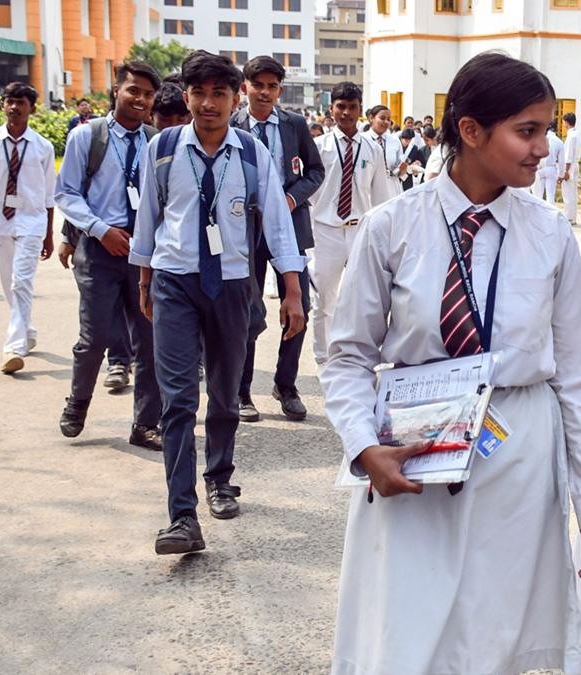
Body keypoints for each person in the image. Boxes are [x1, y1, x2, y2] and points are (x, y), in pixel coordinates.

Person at [320, 51, 581, 675]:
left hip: (517, 449)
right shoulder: (391, 227)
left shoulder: (550, 233)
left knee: (495, 629)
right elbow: (348, 355)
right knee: (407, 629)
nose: (544, 148)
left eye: (547, 130)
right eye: (527, 131)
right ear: (471, 130)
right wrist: (363, 447)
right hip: (412, 451)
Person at [130, 50, 306, 554]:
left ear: (235, 99)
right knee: (179, 399)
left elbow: (277, 223)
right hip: (174, 283)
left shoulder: (251, 153)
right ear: (186, 96)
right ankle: (182, 516)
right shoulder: (164, 148)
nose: (208, 103)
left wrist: (292, 290)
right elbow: (149, 219)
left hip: (231, 284)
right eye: (199, 93)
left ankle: (220, 478)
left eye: (219, 94)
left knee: (226, 393)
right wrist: (145, 281)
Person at [55, 61, 163, 451]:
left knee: (150, 341)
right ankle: (78, 402)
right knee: (95, 336)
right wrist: (101, 230)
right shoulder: (87, 136)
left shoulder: (156, 141)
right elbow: (67, 193)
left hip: (143, 253)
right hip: (99, 250)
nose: (141, 99)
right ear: (116, 90)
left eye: (148, 94)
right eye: (134, 90)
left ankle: (145, 423)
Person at [231, 55, 325, 422]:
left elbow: (314, 171)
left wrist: (289, 198)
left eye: (272, 86)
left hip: (289, 226)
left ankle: (286, 385)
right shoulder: (232, 124)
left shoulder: (294, 125)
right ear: (245, 88)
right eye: (258, 85)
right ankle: (242, 390)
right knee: (246, 309)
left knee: (298, 305)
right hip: (245, 229)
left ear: (280, 91)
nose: (265, 92)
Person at [0, 83, 56, 374]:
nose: (14, 107)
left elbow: (49, 196)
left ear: (32, 108)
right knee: (8, 283)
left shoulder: (43, 147)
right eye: (10, 101)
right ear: (3, 105)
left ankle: (14, 348)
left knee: (21, 282)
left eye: (21, 102)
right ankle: (27, 331)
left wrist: (49, 235)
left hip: (32, 221)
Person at [309, 81, 395, 365]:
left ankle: (359, 355)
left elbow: (381, 196)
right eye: (340, 107)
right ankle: (324, 357)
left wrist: (384, 234)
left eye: (352, 107)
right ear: (331, 109)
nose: (346, 112)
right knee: (325, 298)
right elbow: (310, 192)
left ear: (360, 110)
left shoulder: (372, 149)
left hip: (360, 229)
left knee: (364, 296)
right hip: (326, 230)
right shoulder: (319, 147)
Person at [362, 104, 408, 194]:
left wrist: (402, 169)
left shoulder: (394, 141)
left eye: (388, 119)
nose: (386, 122)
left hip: (391, 187)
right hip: (369, 188)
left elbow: (400, 167)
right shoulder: (362, 140)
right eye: (382, 118)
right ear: (371, 118)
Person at [533, 121, 564, 203]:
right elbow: (561, 161)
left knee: (537, 195)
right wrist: (561, 175)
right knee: (550, 195)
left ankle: (538, 210)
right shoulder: (559, 142)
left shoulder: (540, 138)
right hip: (551, 168)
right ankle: (550, 210)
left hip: (539, 168)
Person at [561, 111, 581, 224]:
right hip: (576, 164)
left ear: (567, 122)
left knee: (567, 192)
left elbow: (568, 155)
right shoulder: (577, 134)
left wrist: (566, 170)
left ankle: (569, 217)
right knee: (573, 192)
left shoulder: (571, 136)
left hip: (570, 166)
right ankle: (573, 217)